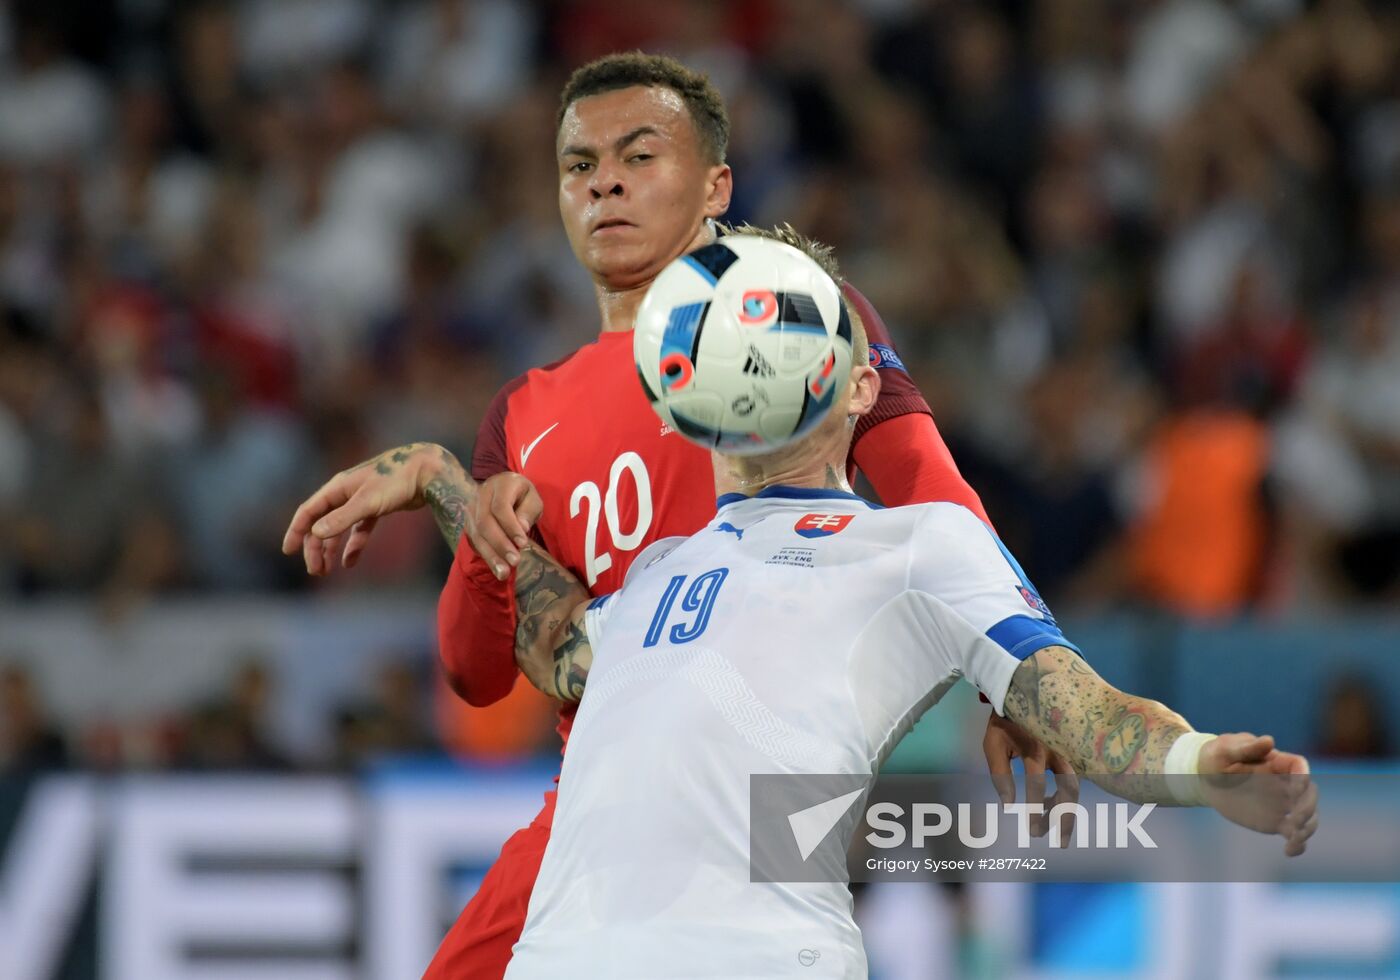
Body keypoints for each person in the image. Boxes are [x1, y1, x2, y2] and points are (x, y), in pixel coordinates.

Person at [282, 53, 1073, 977]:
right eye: (580, 165)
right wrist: (463, 512)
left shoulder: (794, 313)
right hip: (600, 809)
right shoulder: (523, 412)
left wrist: (1013, 671)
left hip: (773, 771)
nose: (605, 180)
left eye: (639, 154)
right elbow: (473, 673)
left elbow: (928, 484)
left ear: (716, 186)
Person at [502, 271, 1318, 977]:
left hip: (751, 961)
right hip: (555, 962)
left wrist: (1198, 766)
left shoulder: (920, 543)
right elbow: (556, 654)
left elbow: (1091, 713)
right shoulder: (656, 571)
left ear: (859, 387)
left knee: (939, 876)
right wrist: (451, 489)